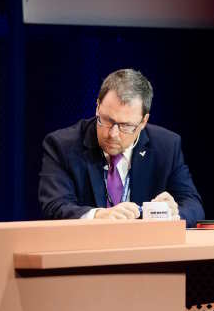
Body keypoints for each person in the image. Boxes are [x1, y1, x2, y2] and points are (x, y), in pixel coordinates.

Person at [39, 69, 205, 228]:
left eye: (126, 126)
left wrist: (172, 215)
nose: (113, 134)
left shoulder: (166, 146)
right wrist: (98, 216)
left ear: (143, 122)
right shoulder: (62, 145)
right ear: (97, 107)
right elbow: (54, 205)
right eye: (107, 120)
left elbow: (193, 206)